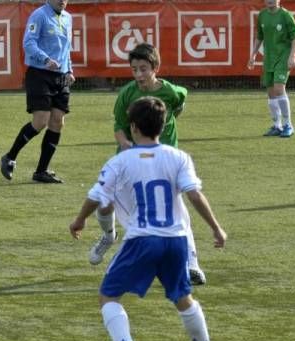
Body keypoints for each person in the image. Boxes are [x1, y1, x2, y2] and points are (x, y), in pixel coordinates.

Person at [69, 96, 227, 341]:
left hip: (143, 239)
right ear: (162, 127)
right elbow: (194, 194)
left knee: (108, 295)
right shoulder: (178, 157)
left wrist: (79, 220)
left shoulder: (121, 160)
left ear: (133, 127)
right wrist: (216, 228)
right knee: (183, 297)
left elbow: (96, 196)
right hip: (177, 240)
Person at [87, 42, 208, 286]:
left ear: (155, 68)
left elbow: (178, 105)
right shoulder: (127, 94)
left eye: (143, 68)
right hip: (132, 161)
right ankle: (109, 236)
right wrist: (126, 146)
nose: (139, 74)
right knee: (105, 204)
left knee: (177, 207)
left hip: (164, 162)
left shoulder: (171, 92)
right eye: (134, 69)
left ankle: (192, 263)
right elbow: (119, 126)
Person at [0, 0, 75, 183]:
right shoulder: (39, 15)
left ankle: (41, 171)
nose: (62, 1)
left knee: (57, 121)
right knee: (41, 120)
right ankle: (9, 156)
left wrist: (70, 69)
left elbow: (66, 49)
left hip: (61, 76)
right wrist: (45, 58)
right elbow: (28, 44)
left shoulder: (68, 18)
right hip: (40, 74)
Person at [247, 0, 295, 138]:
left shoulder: (285, 15)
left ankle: (288, 125)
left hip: (283, 57)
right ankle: (277, 125)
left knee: (278, 89)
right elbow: (259, 37)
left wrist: (292, 57)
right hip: (268, 59)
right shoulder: (262, 15)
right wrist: (253, 55)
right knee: (270, 93)